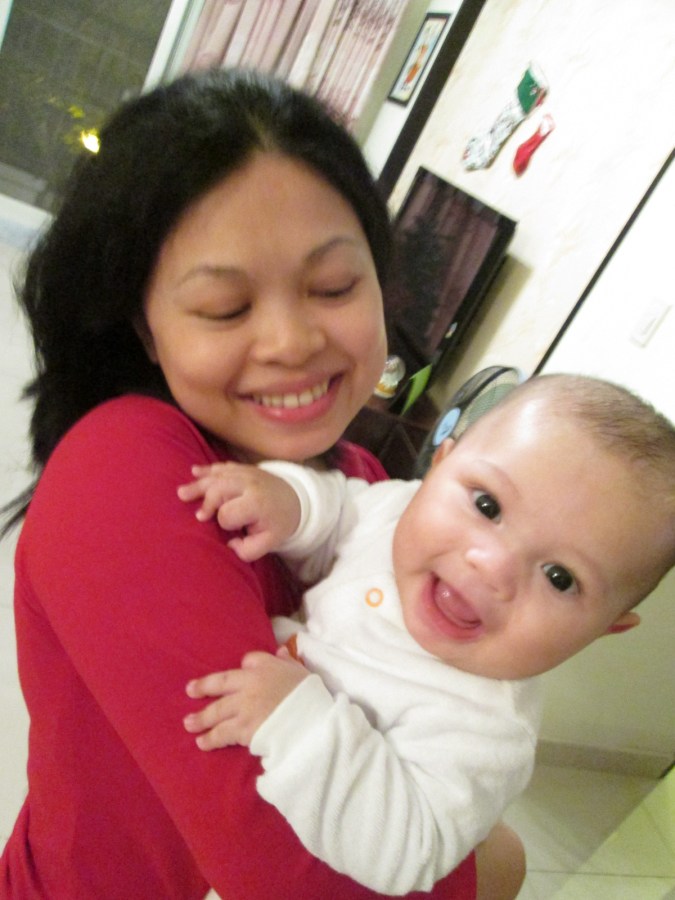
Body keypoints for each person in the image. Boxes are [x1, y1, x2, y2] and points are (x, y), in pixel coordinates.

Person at [0, 67, 523, 899]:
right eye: (224, 307)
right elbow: (293, 873)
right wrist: (488, 865)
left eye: (334, 287)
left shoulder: (357, 484)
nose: (290, 341)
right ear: (145, 326)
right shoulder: (121, 468)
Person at [177, 373, 675, 894]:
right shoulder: (398, 512)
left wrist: (294, 722)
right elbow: (341, 509)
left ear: (604, 629)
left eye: (560, 577)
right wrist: (292, 503)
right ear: (440, 465)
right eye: (488, 506)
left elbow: (408, 849)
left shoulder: (486, 729)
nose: (491, 566)